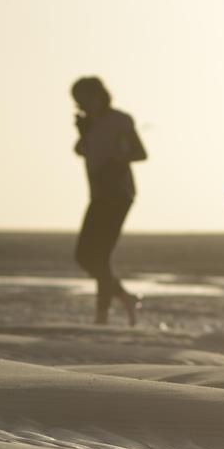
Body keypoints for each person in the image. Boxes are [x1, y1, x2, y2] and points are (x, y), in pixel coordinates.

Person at [71, 76, 145, 326]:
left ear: (99, 95)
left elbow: (139, 152)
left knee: (100, 256)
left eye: (85, 99)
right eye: (78, 101)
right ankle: (125, 298)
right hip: (98, 193)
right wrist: (83, 132)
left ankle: (101, 317)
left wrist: (116, 160)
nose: (82, 104)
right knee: (84, 255)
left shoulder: (120, 120)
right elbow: (81, 150)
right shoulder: (90, 123)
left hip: (118, 193)